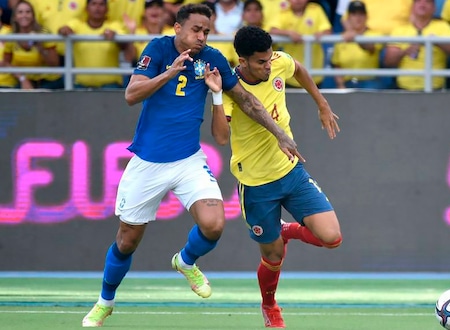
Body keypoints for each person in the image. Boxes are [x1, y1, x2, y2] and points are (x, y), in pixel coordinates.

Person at [81, 4, 300, 328]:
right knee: (127, 241)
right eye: (196, 30)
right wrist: (169, 72)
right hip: (148, 162)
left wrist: (280, 133)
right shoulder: (157, 50)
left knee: (214, 224)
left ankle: (185, 261)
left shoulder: (211, 59)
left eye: (207, 31)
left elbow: (247, 100)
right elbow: (131, 94)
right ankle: (105, 302)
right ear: (178, 28)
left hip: (188, 160)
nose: (201, 36)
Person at [207, 25, 342, 328]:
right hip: (256, 185)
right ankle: (269, 305)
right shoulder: (231, 90)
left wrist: (322, 104)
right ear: (242, 62)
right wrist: (216, 97)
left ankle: (288, 230)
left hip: (290, 171)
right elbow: (219, 137)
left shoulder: (277, 61)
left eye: (269, 60)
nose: (268, 66)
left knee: (332, 237)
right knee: (273, 257)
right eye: (260, 62)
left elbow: (300, 70)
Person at [384, 0, 450, 91]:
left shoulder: (443, 27)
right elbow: (388, 62)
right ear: (412, 7)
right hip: (404, 89)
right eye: (418, 1)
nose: (422, 4)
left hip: (434, 89)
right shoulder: (400, 30)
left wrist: (438, 42)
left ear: (434, 8)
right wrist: (405, 52)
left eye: (428, 2)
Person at [58, 0, 135, 89]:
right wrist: (64, 30)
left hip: (110, 86)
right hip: (81, 86)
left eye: (101, 4)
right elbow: (63, 29)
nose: (97, 8)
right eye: (93, 4)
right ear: (86, 8)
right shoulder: (77, 24)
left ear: (107, 9)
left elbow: (125, 44)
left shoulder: (114, 25)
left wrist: (115, 35)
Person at [269, 0, 332, 88]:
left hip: (313, 74)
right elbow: (272, 30)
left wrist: (321, 34)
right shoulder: (283, 12)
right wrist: (288, 33)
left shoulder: (316, 9)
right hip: (291, 74)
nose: (298, 0)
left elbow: (327, 30)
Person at [3, 0, 62, 89]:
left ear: (33, 16)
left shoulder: (44, 33)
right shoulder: (11, 36)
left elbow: (54, 63)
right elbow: (6, 63)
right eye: (20, 12)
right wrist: (22, 78)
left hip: (48, 81)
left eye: (28, 12)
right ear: (15, 17)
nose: (24, 15)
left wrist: (40, 46)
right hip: (25, 80)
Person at [331, 1, 384, 89]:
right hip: (347, 82)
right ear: (348, 18)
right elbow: (337, 65)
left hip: (369, 82)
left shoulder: (375, 34)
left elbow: (370, 48)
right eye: (354, 14)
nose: (358, 18)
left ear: (366, 17)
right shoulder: (341, 38)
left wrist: (356, 37)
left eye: (361, 14)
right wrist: (341, 85)